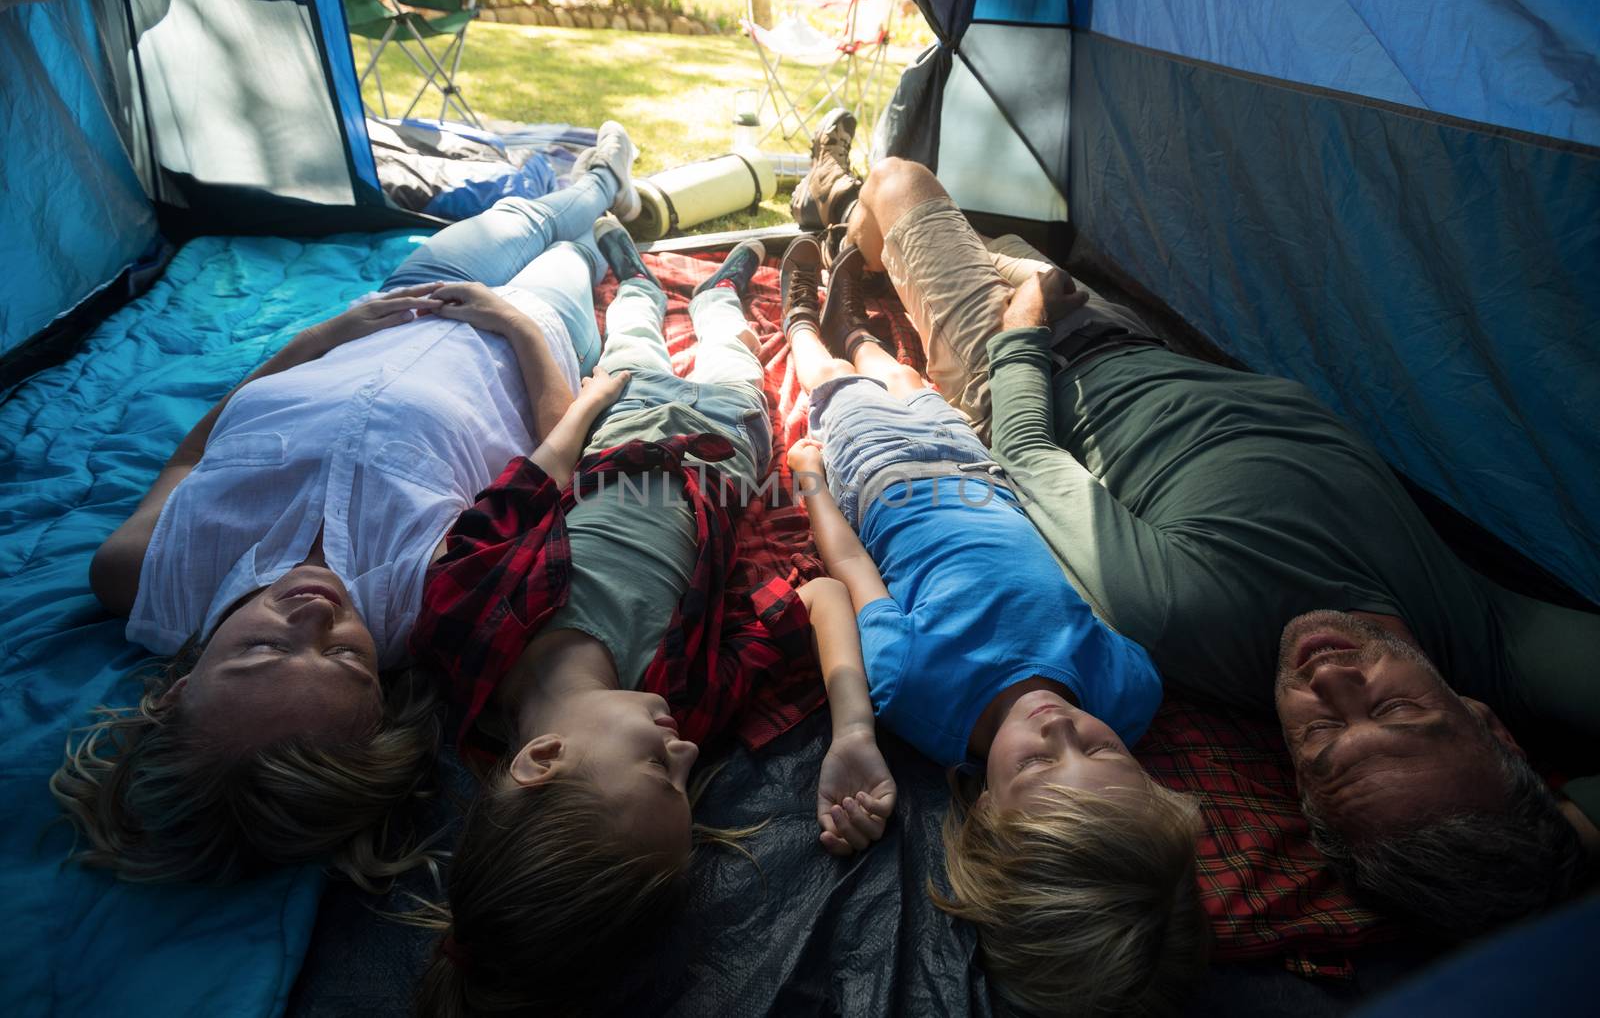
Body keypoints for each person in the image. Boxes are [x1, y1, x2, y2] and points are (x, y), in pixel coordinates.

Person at [807, 136, 1599, 936]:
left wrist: (1020, 332)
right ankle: (853, 224)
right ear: (1487, 720)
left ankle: (837, 194)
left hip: (1040, 362)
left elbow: (1028, 453)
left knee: (900, 184)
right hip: (1157, 341)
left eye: (1321, 737)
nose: (1330, 681)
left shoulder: (1189, 615)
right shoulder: (1490, 635)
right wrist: (1559, 838)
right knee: (988, 240)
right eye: (1394, 708)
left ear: (1296, 779)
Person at [52, 122, 646, 887]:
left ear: (176, 691)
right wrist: (520, 329)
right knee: (574, 253)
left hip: (404, 300)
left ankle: (602, 181)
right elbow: (551, 468)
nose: (316, 613)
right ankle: (607, 219)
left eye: (263, 648)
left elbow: (194, 451)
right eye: (345, 657)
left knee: (528, 219)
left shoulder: (143, 572)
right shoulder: (418, 600)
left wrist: (330, 332)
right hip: (524, 339)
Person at [776, 234, 1208, 1018]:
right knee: (903, 374)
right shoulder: (1128, 691)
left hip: (886, 479)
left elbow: (853, 575)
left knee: (835, 384)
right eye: (1101, 747)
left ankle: (803, 322)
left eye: (1040, 765)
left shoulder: (914, 687)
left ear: (982, 811)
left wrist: (812, 485)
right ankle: (858, 323)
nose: (1063, 728)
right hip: (979, 472)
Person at [406, 224, 823, 1016]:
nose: (688, 750)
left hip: (618, 430)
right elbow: (793, 611)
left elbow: (522, 490)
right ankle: (719, 297)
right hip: (722, 450)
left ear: (544, 758)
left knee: (631, 335)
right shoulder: (686, 699)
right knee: (735, 353)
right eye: (687, 779)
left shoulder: (457, 624)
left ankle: (636, 281)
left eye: (657, 768)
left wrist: (587, 404)